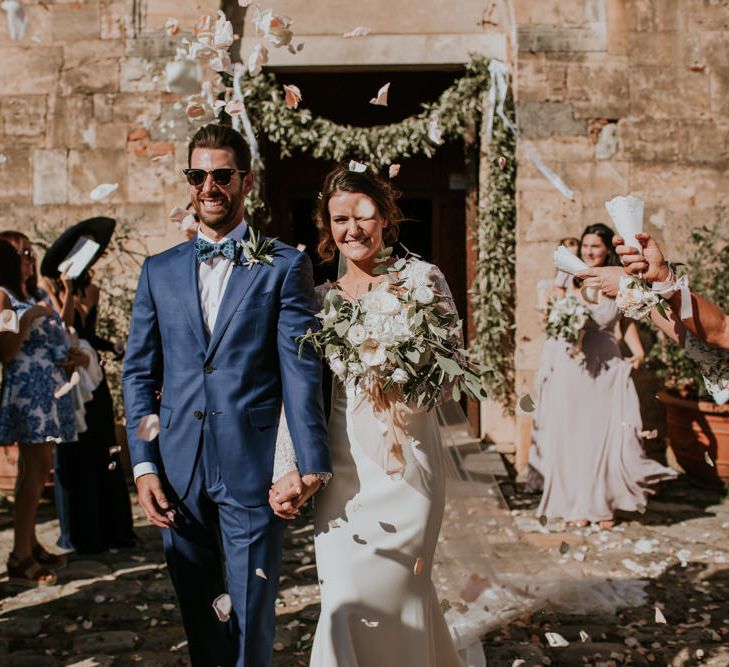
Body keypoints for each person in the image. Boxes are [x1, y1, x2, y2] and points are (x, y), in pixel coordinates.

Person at [122, 123, 331, 666]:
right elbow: (139, 375)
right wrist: (144, 466)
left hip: (253, 466)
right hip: (177, 469)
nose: (209, 186)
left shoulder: (284, 265)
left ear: (246, 182)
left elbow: (301, 370)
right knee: (199, 616)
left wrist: (306, 463)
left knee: (249, 611)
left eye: (221, 175)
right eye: (198, 175)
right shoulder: (158, 271)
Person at [270, 162, 464, 666]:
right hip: (343, 469)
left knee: (403, 592)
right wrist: (288, 465)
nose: (352, 229)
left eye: (364, 216)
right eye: (340, 220)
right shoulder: (317, 301)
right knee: (343, 600)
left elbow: (454, 372)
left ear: (385, 218)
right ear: (327, 228)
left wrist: (407, 368)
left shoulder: (423, 279)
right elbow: (302, 396)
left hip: (408, 463)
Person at [528, 223, 676, 529]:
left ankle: (604, 503)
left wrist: (638, 351)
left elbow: (627, 321)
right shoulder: (567, 276)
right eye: (585, 246)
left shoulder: (618, 279)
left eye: (595, 246)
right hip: (572, 364)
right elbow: (552, 314)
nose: (589, 252)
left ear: (607, 249)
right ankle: (575, 504)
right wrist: (561, 319)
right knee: (575, 435)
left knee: (602, 435)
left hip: (606, 363)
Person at [39, 237, 136, 554]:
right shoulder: (48, 291)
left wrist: (115, 348)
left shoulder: (92, 291)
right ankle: (77, 531)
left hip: (90, 379)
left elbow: (86, 333)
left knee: (101, 448)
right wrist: (62, 292)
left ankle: (109, 528)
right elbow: (61, 328)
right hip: (64, 380)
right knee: (70, 452)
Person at [0, 235, 79, 586]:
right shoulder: (4, 297)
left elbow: (59, 330)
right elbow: (5, 351)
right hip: (28, 390)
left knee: (38, 469)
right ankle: (19, 556)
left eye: (32, 252)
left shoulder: (31, 293)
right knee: (34, 472)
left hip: (49, 389)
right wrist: (29, 315)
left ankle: (29, 543)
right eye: (24, 253)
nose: (31, 258)